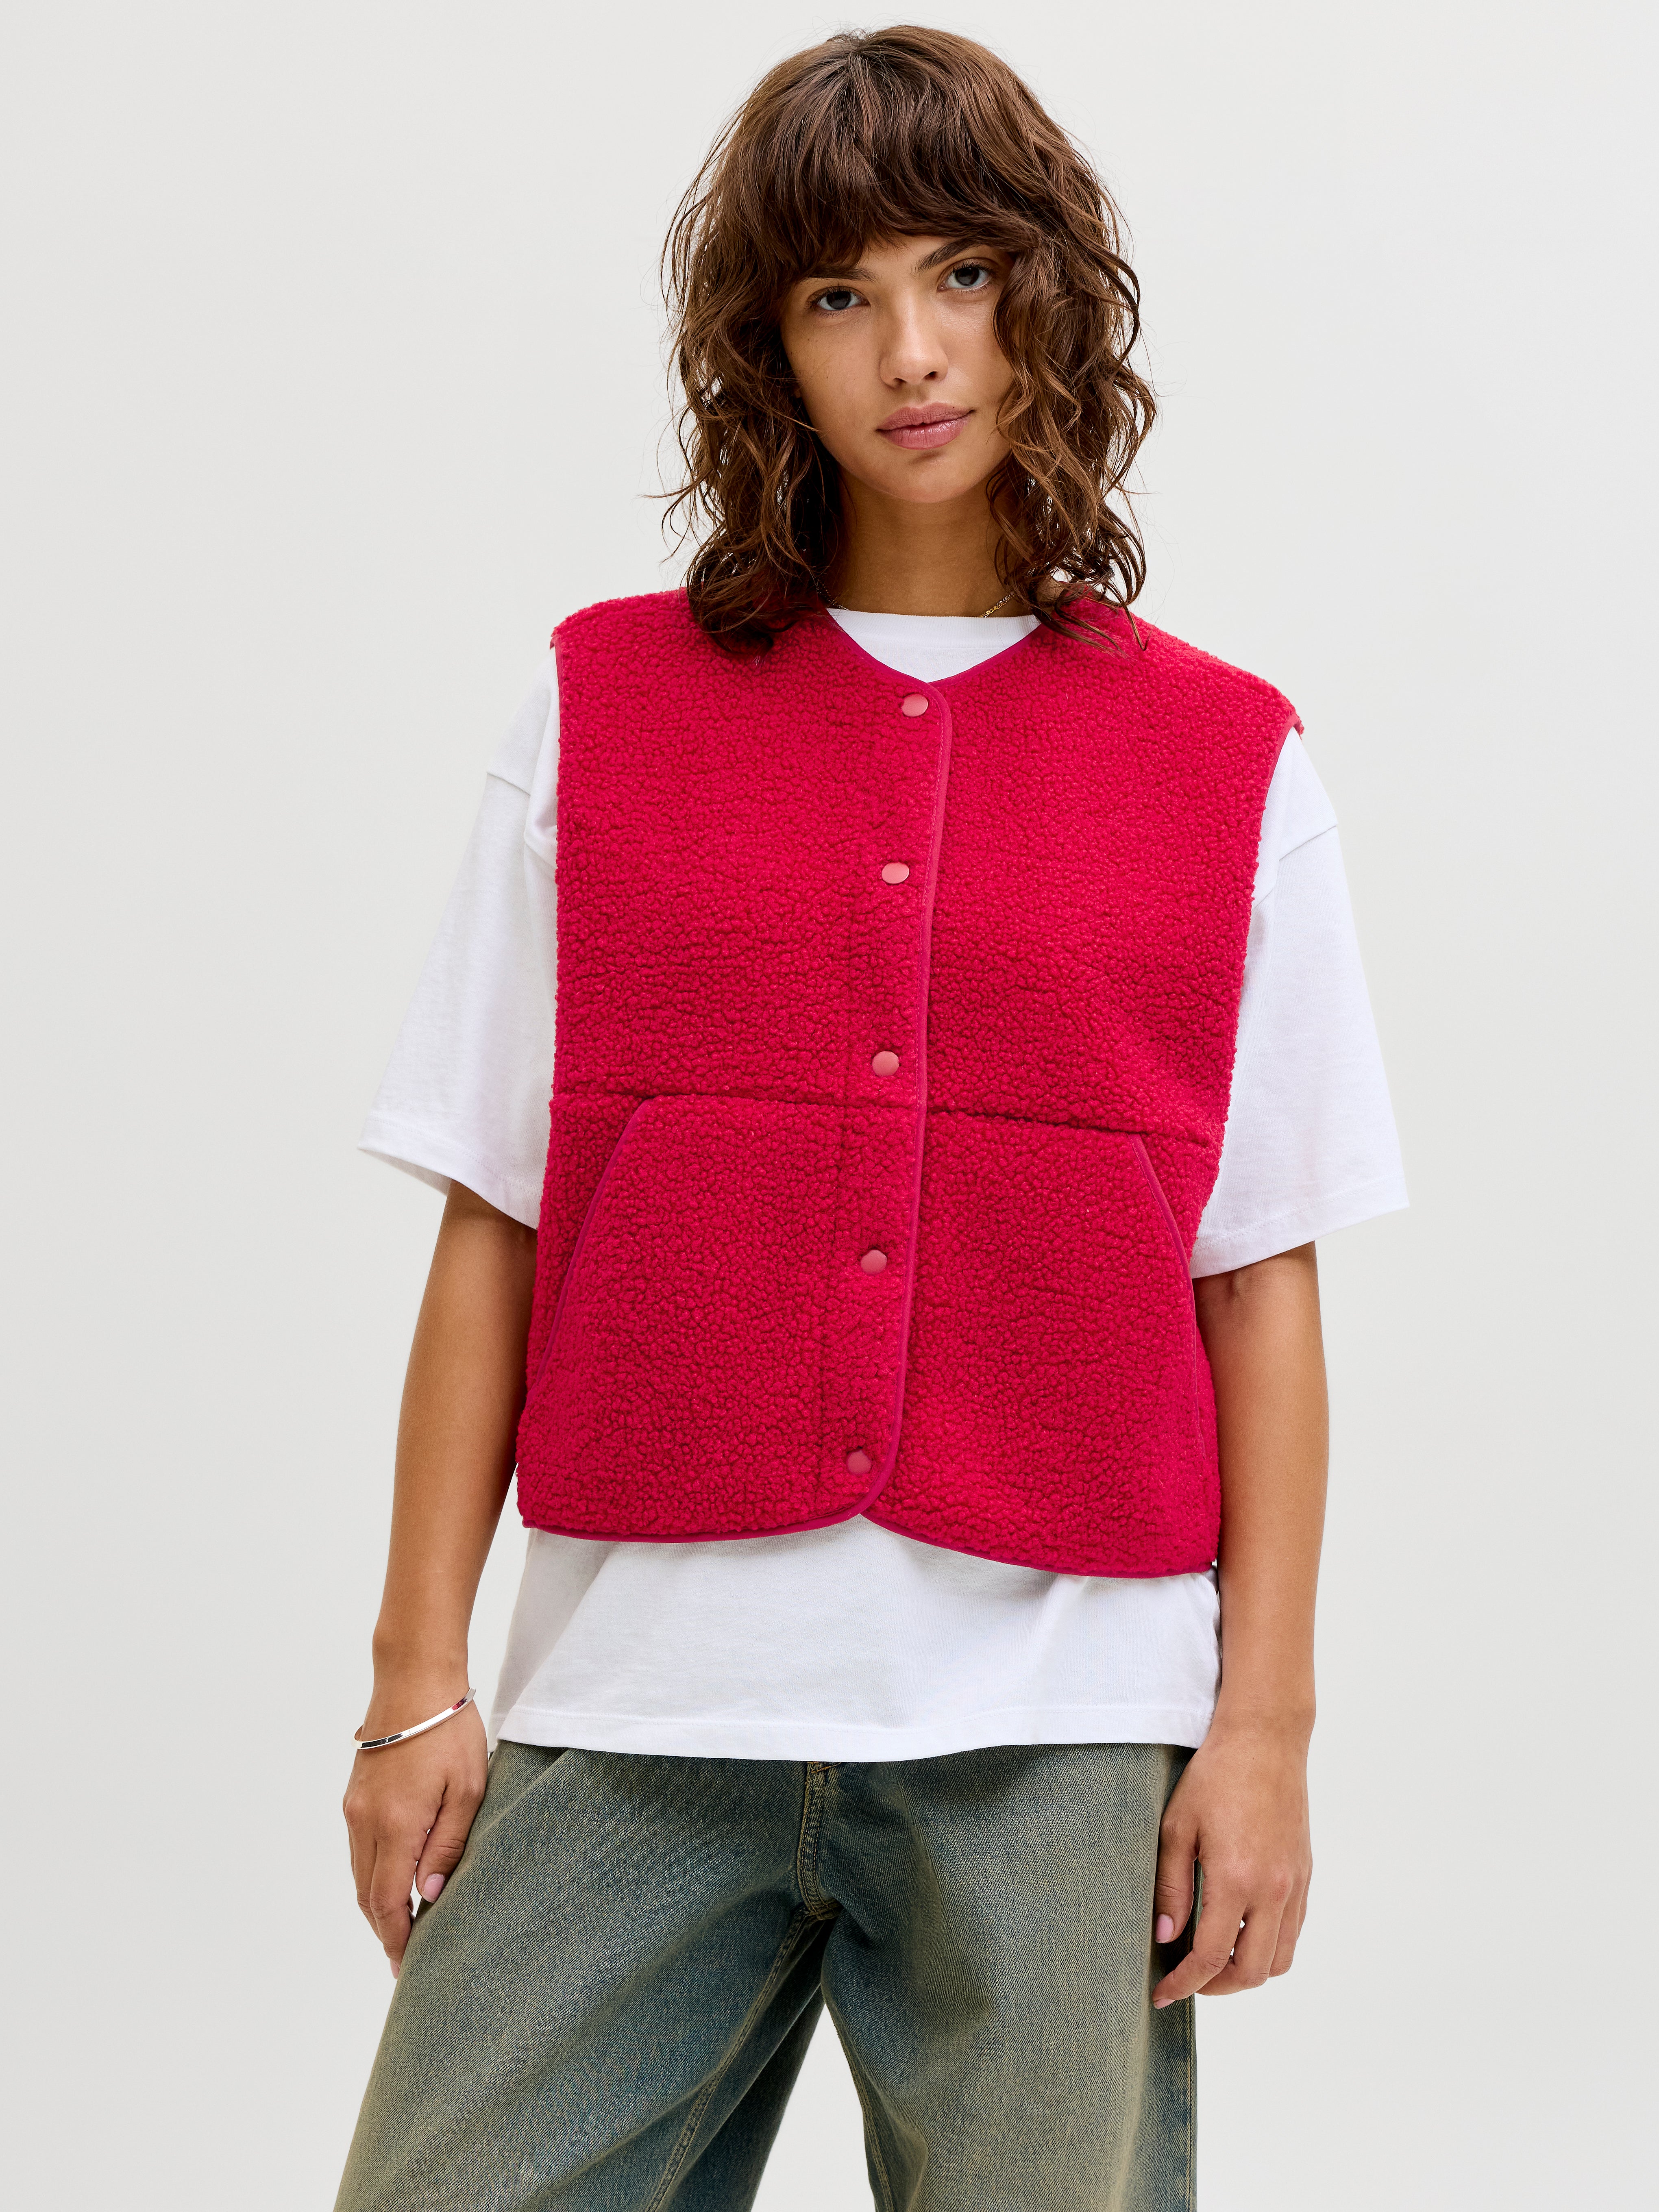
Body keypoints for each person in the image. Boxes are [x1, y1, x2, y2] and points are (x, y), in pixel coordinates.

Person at [334, 26, 1406, 2212]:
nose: (912, 353)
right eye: (840, 295)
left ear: (1048, 300)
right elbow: (496, 1219)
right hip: (642, 1702)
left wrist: (1265, 1732)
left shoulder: (1230, 765)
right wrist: (412, 1677)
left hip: (1060, 1733)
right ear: (770, 349)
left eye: (963, 276)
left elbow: (1260, 1278)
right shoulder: (602, 706)